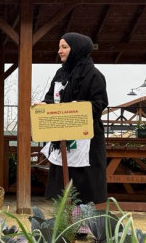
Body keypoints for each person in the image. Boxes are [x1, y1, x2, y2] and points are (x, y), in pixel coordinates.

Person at [40, 32, 108, 205]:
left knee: (82, 186)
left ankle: (81, 228)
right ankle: (64, 224)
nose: (60, 51)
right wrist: (43, 105)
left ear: (76, 49)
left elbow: (100, 103)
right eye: (59, 47)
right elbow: (50, 97)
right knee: (63, 183)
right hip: (62, 136)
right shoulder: (60, 74)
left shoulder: (94, 75)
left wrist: (80, 107)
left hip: (86, 139)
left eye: (64, 47)